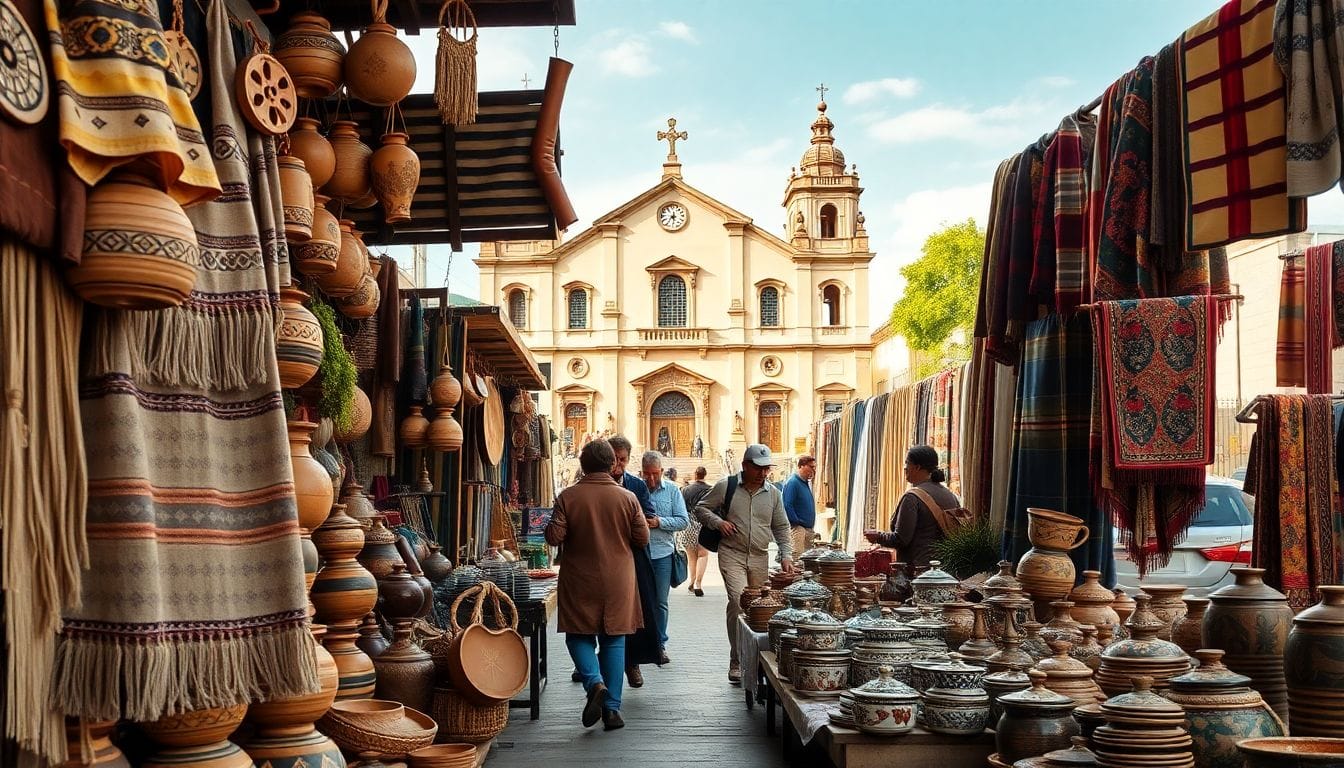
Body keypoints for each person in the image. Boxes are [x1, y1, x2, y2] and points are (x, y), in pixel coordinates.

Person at [545, 439, 649, 731]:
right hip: (619, 580)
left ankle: (594, 683)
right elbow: (642, 539)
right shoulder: (628, 498)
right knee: (614, 640)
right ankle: (612, 711)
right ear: (612, 465)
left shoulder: (568, 496)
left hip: (580, 579)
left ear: (582, 464)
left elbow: (554, 537)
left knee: (578, 635)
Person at [693, 444, 794, 684]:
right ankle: (736, 659)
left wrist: (787, 554)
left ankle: (758, 660)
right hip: (732, 553)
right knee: (739, 602)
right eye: (758, 468)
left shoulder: (774, 494)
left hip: (760, 557)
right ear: (745, 466)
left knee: (761, 608)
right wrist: (718, 523)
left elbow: (781, 527)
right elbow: (701, 508)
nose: (762, 473)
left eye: (766, 469)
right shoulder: (726, 486)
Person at [606, 435, 659, 688]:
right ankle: (595, 663)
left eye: (623, 459)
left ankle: (632, 664)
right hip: (603, 560)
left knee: (634, 616)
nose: (618, 464)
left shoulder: (636, 486)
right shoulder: (594, 485)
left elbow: (649, 516)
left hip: (634, 558)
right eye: (614, 459)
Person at [863, 445, 961, 567]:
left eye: (907, 463)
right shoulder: (950, 496)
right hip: (946, 570)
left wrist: (878, 536)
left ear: (917, 467)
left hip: (918, 571)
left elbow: (901, 539)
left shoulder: (912, 497)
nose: (905, 468)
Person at [640, 451, 688, 664]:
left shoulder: (672, 491)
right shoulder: (635, 489)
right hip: (639, 554)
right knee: (640, 602)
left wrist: (659, 522)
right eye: (647, 474)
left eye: (655, 474)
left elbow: (682, 521)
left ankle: (659, 643)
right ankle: (641, 644)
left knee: (660, 602)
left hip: (662, 554)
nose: (651, 479)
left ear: (661, 471)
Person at [679, 466, 713, 596]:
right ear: (705, 475)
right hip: (703, 522)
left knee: (691, 556)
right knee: (703, 554)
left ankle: (691, 581)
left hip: (688, 523)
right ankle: (698, 583)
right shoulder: (711, 489)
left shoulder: (685, 490)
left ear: (695, 475)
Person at [783, 455, 817, 560]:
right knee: (797, 558)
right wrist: (796, 522)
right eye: (810, 467)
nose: (813, 470)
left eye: (814, 467)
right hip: (799, 528)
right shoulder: (793, 482)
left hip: (807, 528)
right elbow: (787, 505)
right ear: (802, 466)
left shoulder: (804, 483)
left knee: (807, 560)